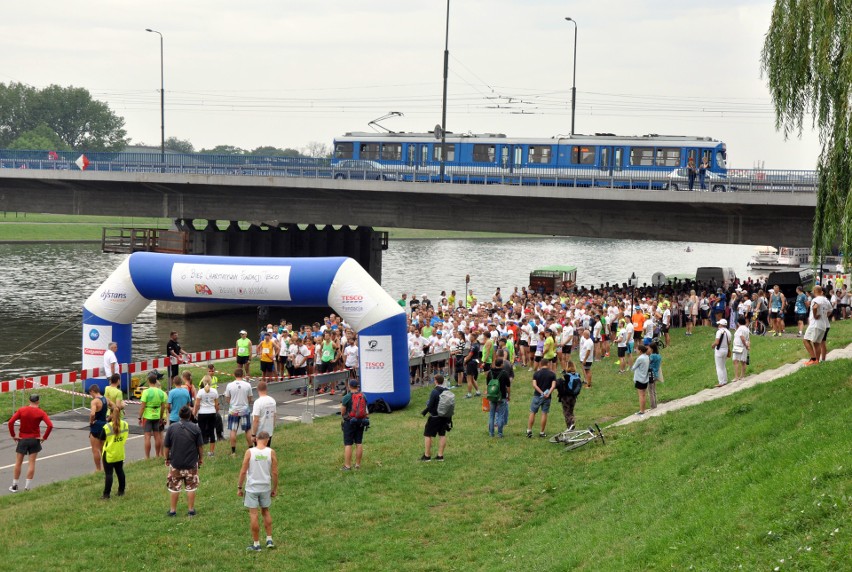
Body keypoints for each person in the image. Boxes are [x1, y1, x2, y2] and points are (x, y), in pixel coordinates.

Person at [238, 431, 279, 551]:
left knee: (253, 514)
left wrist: (239, 487)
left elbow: (243, 471)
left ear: (256, 439)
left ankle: (256, 544)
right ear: (267, 440)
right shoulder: (271, 452)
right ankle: (269, 539)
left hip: (252, 488)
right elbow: (275, 472)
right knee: (265, 511)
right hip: (265, 487)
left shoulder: (250, 452)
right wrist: (275, 488)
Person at [7, 394, 53, 493]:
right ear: (38, 401)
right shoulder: (41, 412)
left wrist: (13, 435)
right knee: (31, 463)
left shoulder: (22, 410)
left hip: (23, 438)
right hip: (34, 439)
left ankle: (14, 485)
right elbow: (50, 425)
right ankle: (27, 487)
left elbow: (10, 422)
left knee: (18, 462)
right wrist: (44, 437)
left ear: (29, 401)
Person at [163, 405, 203, 517]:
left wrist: (167, 458)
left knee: (174, 487)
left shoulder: (172, 428)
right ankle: (190, 510)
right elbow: (200, 446)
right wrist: (201, 459)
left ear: (179, 415)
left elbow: (166, 446)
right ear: (190, 415)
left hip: (176, 463)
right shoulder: (195, 428)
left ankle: (172, 511)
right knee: (191, 486)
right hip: (191, 463)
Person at [98, 409, 128, 499]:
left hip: (109, 453)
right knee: (120, 471)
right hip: (120, 452)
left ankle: (106, 494)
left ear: (111, 414)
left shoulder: (107, 427)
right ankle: (121, 491)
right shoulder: (125, 424)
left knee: (109, 474)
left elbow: (101, 439)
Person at [420, 374, 451, 461]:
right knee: (442, 435)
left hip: (435, 417)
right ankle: (440, 456)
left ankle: (427, 456)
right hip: (445, 416)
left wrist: (427, 405)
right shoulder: (447, 390)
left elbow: (430, 406)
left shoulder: (435, 391)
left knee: (427, 434)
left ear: (436, 381)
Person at [225, 368, 254, 456]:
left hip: (234, 410)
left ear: (234, 375)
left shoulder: (229, 385)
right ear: (243, 375)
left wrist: (232, 404)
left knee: (233, 430)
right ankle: (251, 449)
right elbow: (250, 398)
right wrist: (246, 403)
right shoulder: (247, 385)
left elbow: (227, 398)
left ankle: (233, 451)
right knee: (247, 429)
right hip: (244, 409)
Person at [139, 370, 167, 459]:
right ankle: (158, 454)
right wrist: (161, 416)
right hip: (157, 415)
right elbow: (163, 406)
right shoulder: (160, 392)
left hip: (148, 415)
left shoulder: (146, 392)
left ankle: (147, 457)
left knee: (147, 436)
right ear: (156, 381)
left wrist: (140, 417)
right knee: (157, 436)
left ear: (148, 381)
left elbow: (143, 407)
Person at [340, 379, 367, 470]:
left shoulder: (347, 397)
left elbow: (342, 412)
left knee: (348, 444)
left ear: (349, 386)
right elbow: (366, 411)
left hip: (349, 422)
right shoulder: (363, 396)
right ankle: (358, 465)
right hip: (361, 422)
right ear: (357, 386)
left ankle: (347, 466)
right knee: (359, 443)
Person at [527, 358, 556, 438]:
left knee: (533, 412)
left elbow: (534, 385)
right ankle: (542, 432)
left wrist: (541, 393)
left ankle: (529, 430)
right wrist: (547, 393)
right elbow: (553, 386)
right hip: (547, 397)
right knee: (544, 413)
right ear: (548, 364)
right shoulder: (552, 374)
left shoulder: (536, 373)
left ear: (540, 364)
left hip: (537, 395)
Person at [804, 285, 831, 365]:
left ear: (815, 291)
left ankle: (813, 359)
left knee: (805, 340)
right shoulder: (825, 300)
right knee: (817, 344)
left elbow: (815, 307)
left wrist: (815, 315)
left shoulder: (816, 299)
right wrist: (825, 315)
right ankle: (817, 362)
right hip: (823, 325)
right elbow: (830, 310)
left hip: (815, 324)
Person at [194, 375, 220, 457]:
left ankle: (200, 452)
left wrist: (195, 413)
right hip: (212, 412)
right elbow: (216, 405)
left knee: (201, 432)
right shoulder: (214, 391)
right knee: (212, 431)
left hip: (202, 413)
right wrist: (216, 412)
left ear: (203, 382)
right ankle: (211, 452)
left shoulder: (200, 391)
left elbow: (197, 404)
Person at [485, 360, 511, 438]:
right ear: (501, 364)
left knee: (492, 415)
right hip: (502, 396)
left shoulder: (490, 373)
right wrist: (508, 396)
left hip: (492, 396)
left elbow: (487, 385)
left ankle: (491, 433)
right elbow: (508, 387)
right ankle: (500, 433)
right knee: (500, 415)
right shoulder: (504, 373)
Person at [88, 384, 108, 471]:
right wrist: (110, 417)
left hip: (96, 426)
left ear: (92, 391)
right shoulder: (105, 399)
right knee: (103, 449)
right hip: (105, 425)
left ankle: (98, 469)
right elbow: (115, 407)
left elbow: (92, 413)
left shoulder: (95, 401)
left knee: (95, 449)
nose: (91, 396)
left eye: (90, 394)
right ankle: (106, 467)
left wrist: (91, 421)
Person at [251, 381, 277, 446]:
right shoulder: (272, 400)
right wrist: (272, 427)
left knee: (259, 452)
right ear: (266, 389)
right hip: (269, 431)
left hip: (260, 432)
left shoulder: (258, 402)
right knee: (267, 450)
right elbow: (274, 416)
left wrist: (253, 434)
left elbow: (256, 420)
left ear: (257, 389)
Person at [558, 360, 580, 430]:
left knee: (566, 412)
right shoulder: (577, 375)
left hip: (566, 396)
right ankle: (572, 424)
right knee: (571, 411)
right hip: (574, 396)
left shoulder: (567, 376)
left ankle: (570, 425)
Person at [712, 319, 731, 387]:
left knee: (719, 367)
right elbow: (729, 342)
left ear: (721, 325)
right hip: (725, 349)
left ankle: (721, 382)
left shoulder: (719, 332)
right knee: (723, 366)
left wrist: (713, 345)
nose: (718, 325)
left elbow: (717, 342)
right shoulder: (729, 332)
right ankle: (725, 380)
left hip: (719, 350)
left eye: (719, 324)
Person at [631, 345, 650, 415]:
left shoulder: (640, 358)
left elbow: (633, 368)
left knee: (641, 396)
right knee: (643, 395)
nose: (636, 351)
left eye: (637, 349)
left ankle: (642, 411)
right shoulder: (647, 357)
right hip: (645, 378)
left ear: (640, 351)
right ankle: (643, 409)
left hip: (640, 379)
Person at [732, 316, 751, 381]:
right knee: (743, 361)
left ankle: (736, 376)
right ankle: (742, 375)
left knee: (735, 361)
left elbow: (742, 337)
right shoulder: (746, 328)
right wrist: (747, 346)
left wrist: (745, 345)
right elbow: (748, 339)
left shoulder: (740, 329)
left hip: (738, 346)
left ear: (738, 322)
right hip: (744, 346)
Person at [648, 342, 662, 409]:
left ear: (652, 348)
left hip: (651, 373)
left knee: (650, 390)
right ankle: (655, 403)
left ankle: (653, 405)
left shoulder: (652, 356)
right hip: (656, 373)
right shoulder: (659, 355)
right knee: (654, 390)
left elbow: (648, 363)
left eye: (649, 348)